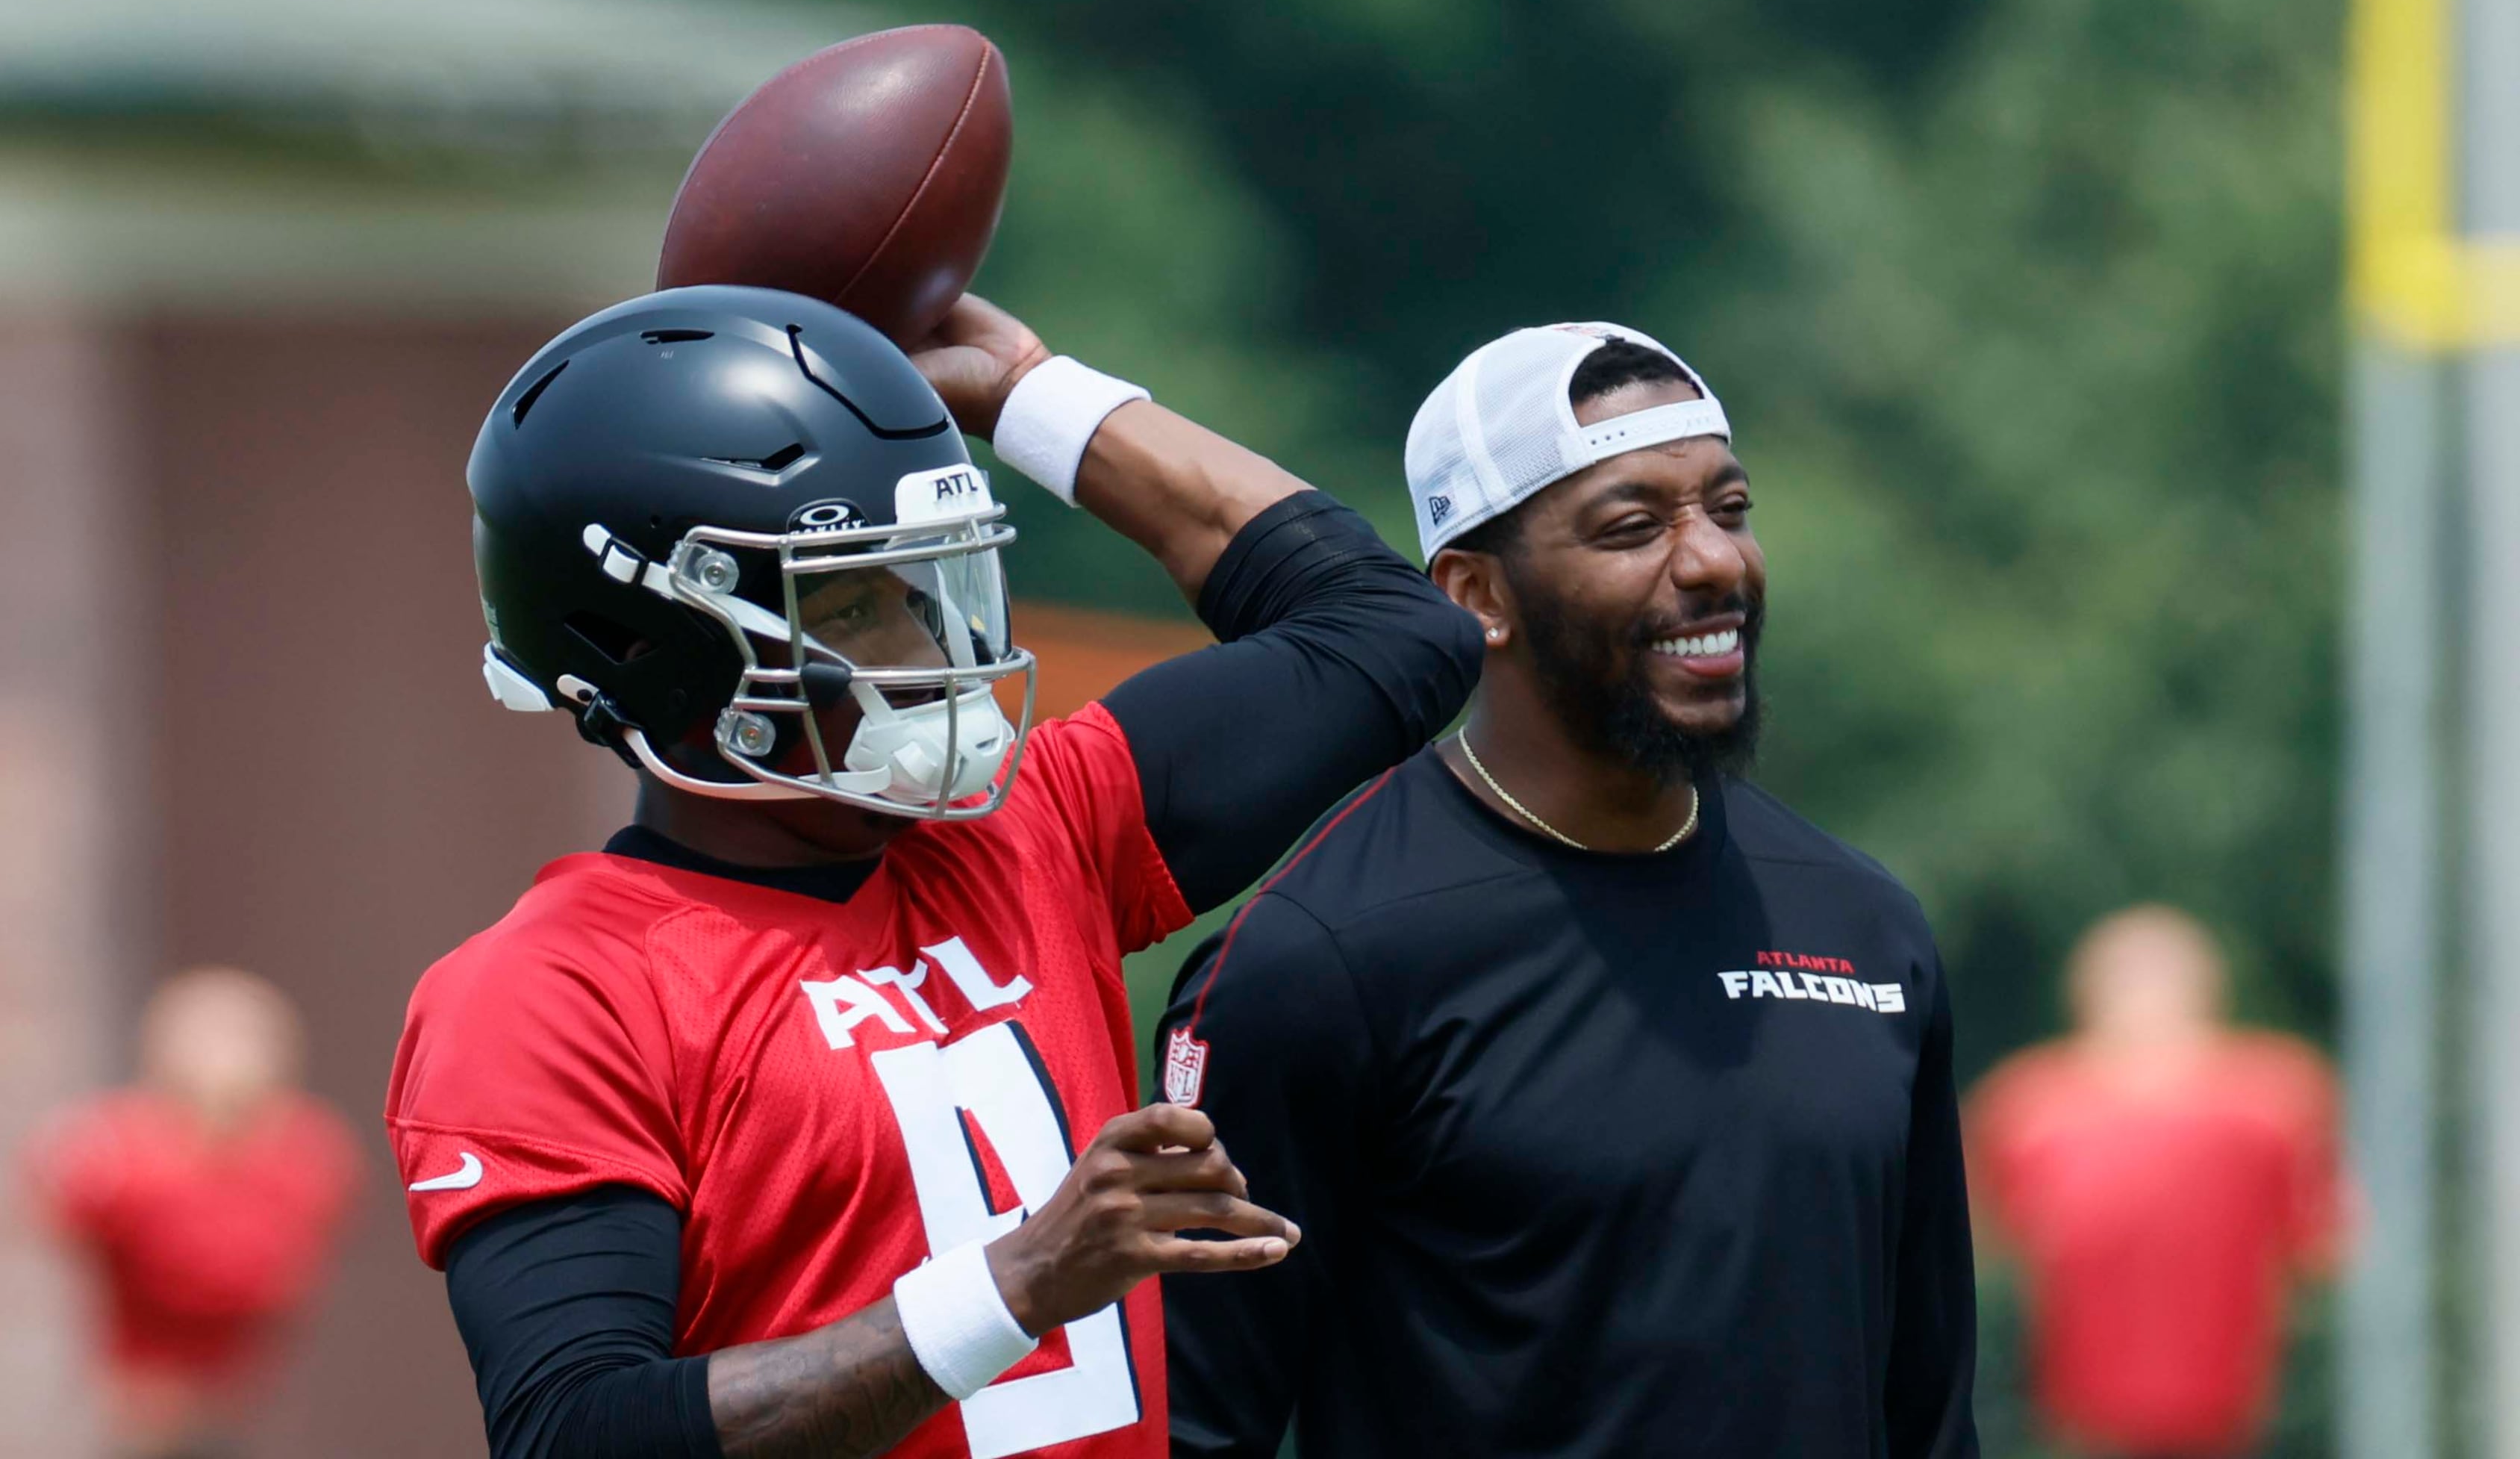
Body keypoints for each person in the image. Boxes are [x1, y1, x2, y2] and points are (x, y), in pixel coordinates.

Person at [385, 284, 1479, 1459]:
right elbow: (574, 1436)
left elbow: (1394, 631)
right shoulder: (553, 990)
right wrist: (1012, 1288)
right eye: (855, 604)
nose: (930, 650)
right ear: (662, 656)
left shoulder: (1027, 837)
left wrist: (1031, 398)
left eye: (925, 588)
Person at [1154, 323, 1980, 1458]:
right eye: (1635, 527)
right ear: (1478, 594)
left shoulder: (1866, 928)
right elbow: (1187, 1429)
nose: (1714, 563)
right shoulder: (1321, 957)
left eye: (1730, 509)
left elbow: (1929, 1418)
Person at [1968, 904, 2344, 1459]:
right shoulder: (2025, 1106)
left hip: (2221, 1408)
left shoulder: (2278, 1097)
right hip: (2088, 1406)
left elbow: (2318, 1245)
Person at [28, 967, 361, 1459]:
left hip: (232, 1401)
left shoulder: (308, 1155)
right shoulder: (112, 1156)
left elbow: (260, 1276)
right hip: (144, 1409)